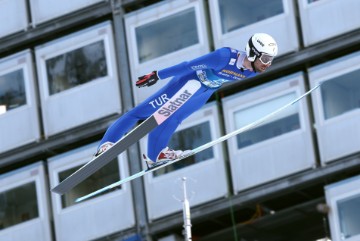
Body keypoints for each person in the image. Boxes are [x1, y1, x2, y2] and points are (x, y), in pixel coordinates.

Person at [95, 33, 278, 169]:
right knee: (143, 112)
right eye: (266, 58)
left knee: (173, 118)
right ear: (253, 53)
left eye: (271, 59)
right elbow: (187, 65)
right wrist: (157, 75)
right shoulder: (223, 57)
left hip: (203, 92)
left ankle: (155, 155)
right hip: (187, 82)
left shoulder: (251, 70)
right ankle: (107, 143)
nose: (267, 64)